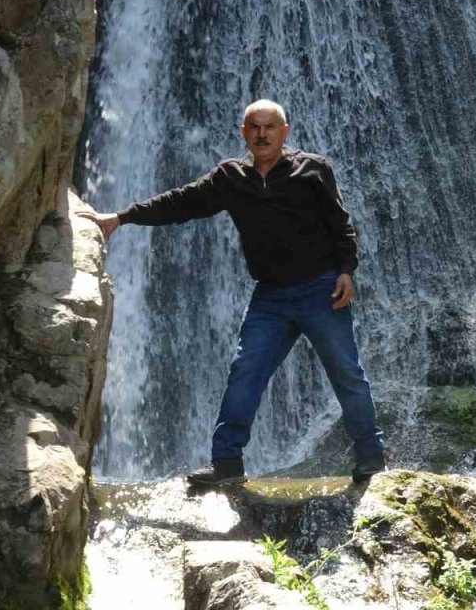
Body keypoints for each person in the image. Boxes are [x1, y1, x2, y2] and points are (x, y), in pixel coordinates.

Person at [78, 99, 386, 485]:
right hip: (270, 297)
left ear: (284, 132)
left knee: (347, 374)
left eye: (270, 127)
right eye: (254, 127)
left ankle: (373, 460)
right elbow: (183, 202)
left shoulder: (313, 169)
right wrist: (122, 218)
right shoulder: (231, 177)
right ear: (244, 133)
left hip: (320, 290)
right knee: (245, 373)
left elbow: (340, 223)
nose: (262, 134)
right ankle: (227, 466)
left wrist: (346, 271)